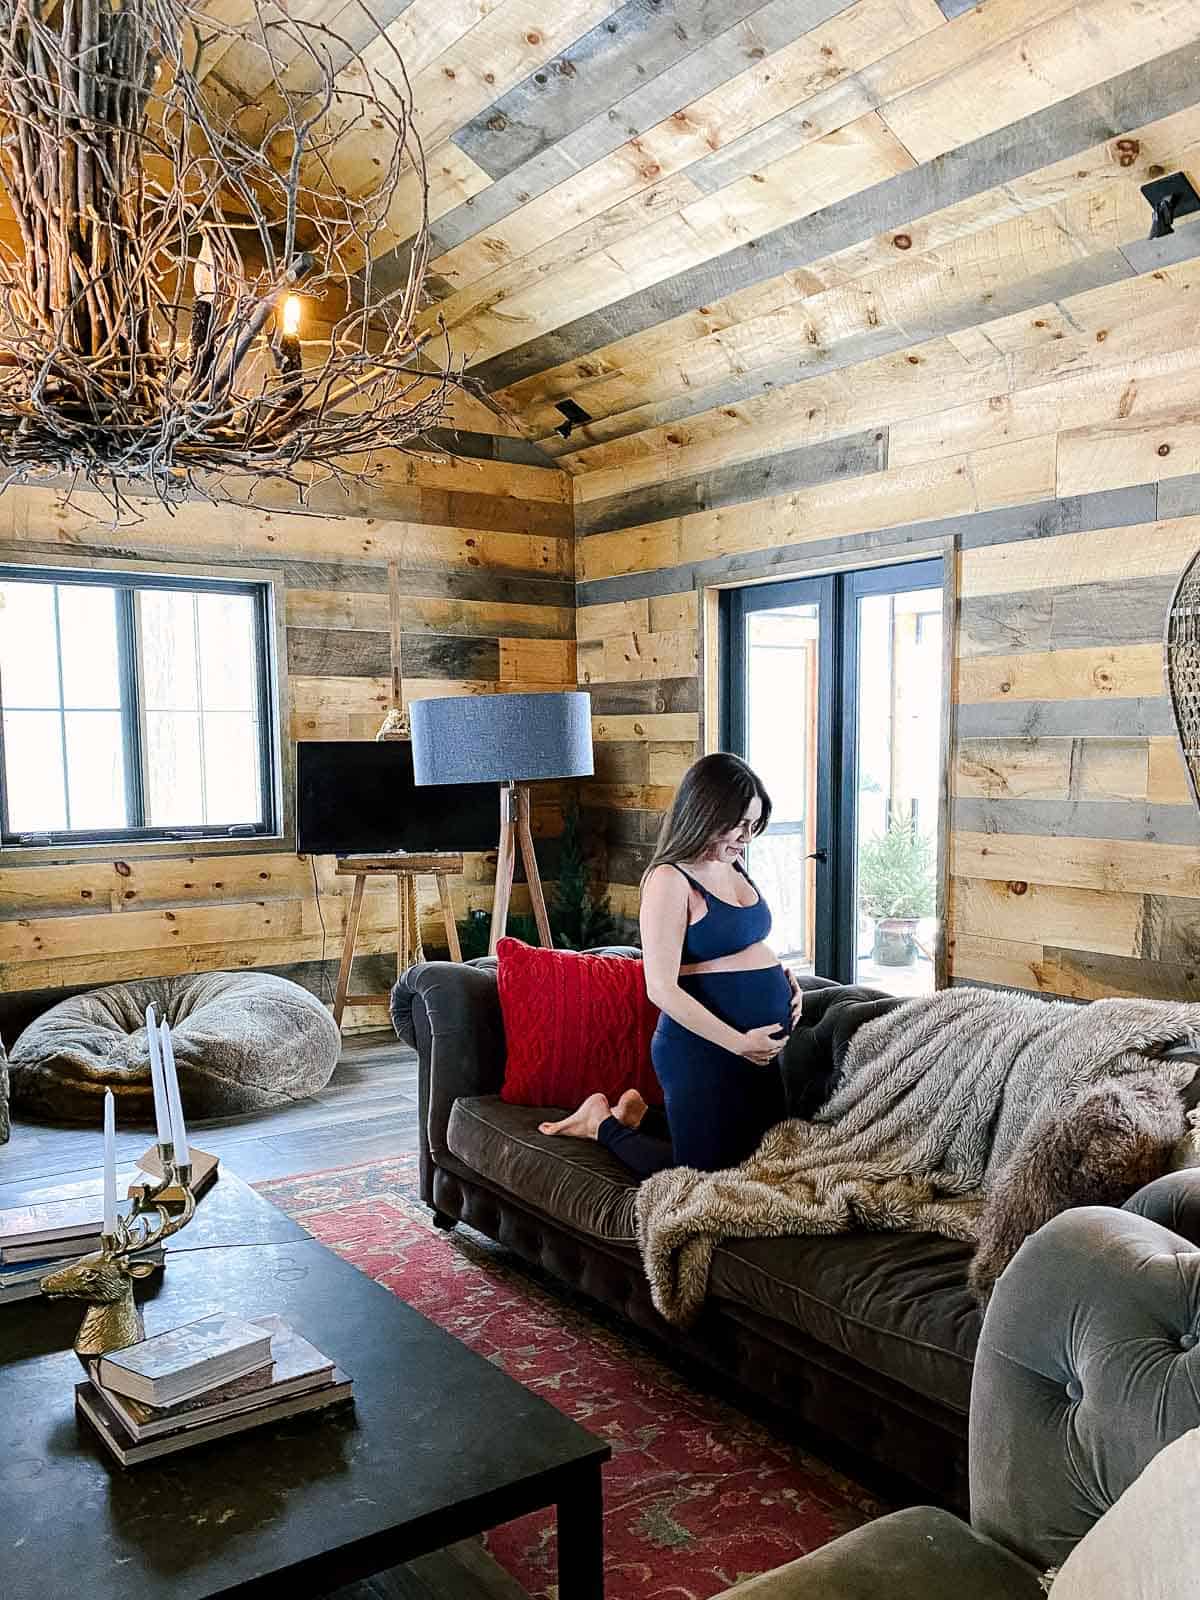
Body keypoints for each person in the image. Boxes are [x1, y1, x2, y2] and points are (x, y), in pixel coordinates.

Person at [539, 752, 804, 1176]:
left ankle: (639, 1115)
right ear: (705, 812)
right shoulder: (669, 879)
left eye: (753, 825)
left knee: (763, 1165)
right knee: (701, 1176)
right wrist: (739, 1041)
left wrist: (786, 984)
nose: (746, 837)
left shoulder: (732, 861)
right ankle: (600, 1123)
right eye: (738, 824)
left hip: (758, 1053)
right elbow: (659, 987)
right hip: (701, 1049)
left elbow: (743, 941)